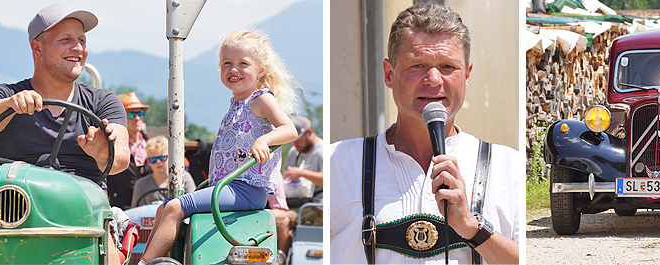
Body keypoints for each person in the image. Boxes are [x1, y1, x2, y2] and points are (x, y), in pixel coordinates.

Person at [329, 3, 520, 264]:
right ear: (388, 73)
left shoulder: (508, 167)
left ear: (466, 76)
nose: (433, 79)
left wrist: (470, 226)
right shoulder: (337, 164)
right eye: (417, 65)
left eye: (447, 67)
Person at [0, 3, 131, 265]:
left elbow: (120, 158)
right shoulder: (6, 96)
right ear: (37, 48)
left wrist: (105, 151)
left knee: (110, 257)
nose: (78, 48)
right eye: (66, 40)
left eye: (82, 40)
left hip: (84, 219)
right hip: (14, 219)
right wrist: (10, 105)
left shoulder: (103, 103)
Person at [138, 28, 298, 264]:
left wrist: (265, 140)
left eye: (243, 63)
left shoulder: (261, 99)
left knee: (174, 208)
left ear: (261, 69)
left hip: (245, 188)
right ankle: (156, 259)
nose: (234, 69)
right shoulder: (236, 104)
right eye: (227, 63)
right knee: (164, 209)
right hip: (228, 187)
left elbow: (289, 129)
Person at [110, 92, 154, 209]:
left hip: (150, 209)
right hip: (121, 208)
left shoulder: (152, 146)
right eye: (132, 114)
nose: (137, 118)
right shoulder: (112, 146)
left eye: (140, 113)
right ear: (121, 116)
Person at [130, 136, 196, 208]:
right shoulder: (141, 184)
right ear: (148, 162)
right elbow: (135, 212)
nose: (158, 162)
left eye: (162, 158)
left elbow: (194, 204)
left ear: (170, 157)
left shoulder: (184, 178)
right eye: (153, 159)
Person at [283, 115, 324, 207]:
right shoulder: (294, 151)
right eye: (292, 141)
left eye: (298, 140)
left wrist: (301, 173)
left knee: (287, 218)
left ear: (309, 132)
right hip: (296, 200)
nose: (295, 144)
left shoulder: (322, 150)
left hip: (318, 204)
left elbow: (329, 180)